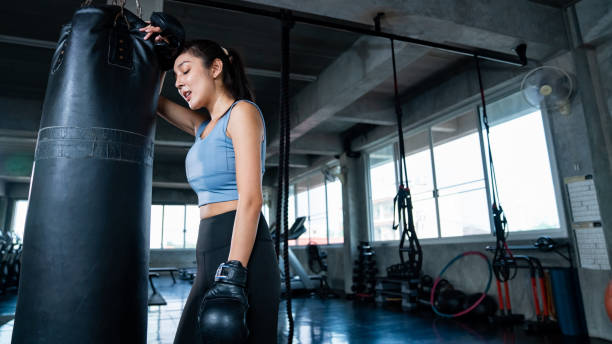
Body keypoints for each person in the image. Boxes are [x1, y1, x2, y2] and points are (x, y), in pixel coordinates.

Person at [141, 23, 280, 344]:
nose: (179, 83)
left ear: (216, 68)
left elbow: (251, 200)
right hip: (208, 245)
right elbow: (153, 102)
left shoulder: (242, 112)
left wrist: (234, 272)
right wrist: (162, 59)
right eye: (176, 76)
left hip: (243, 247)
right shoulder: (203, 128)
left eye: (186, 71)